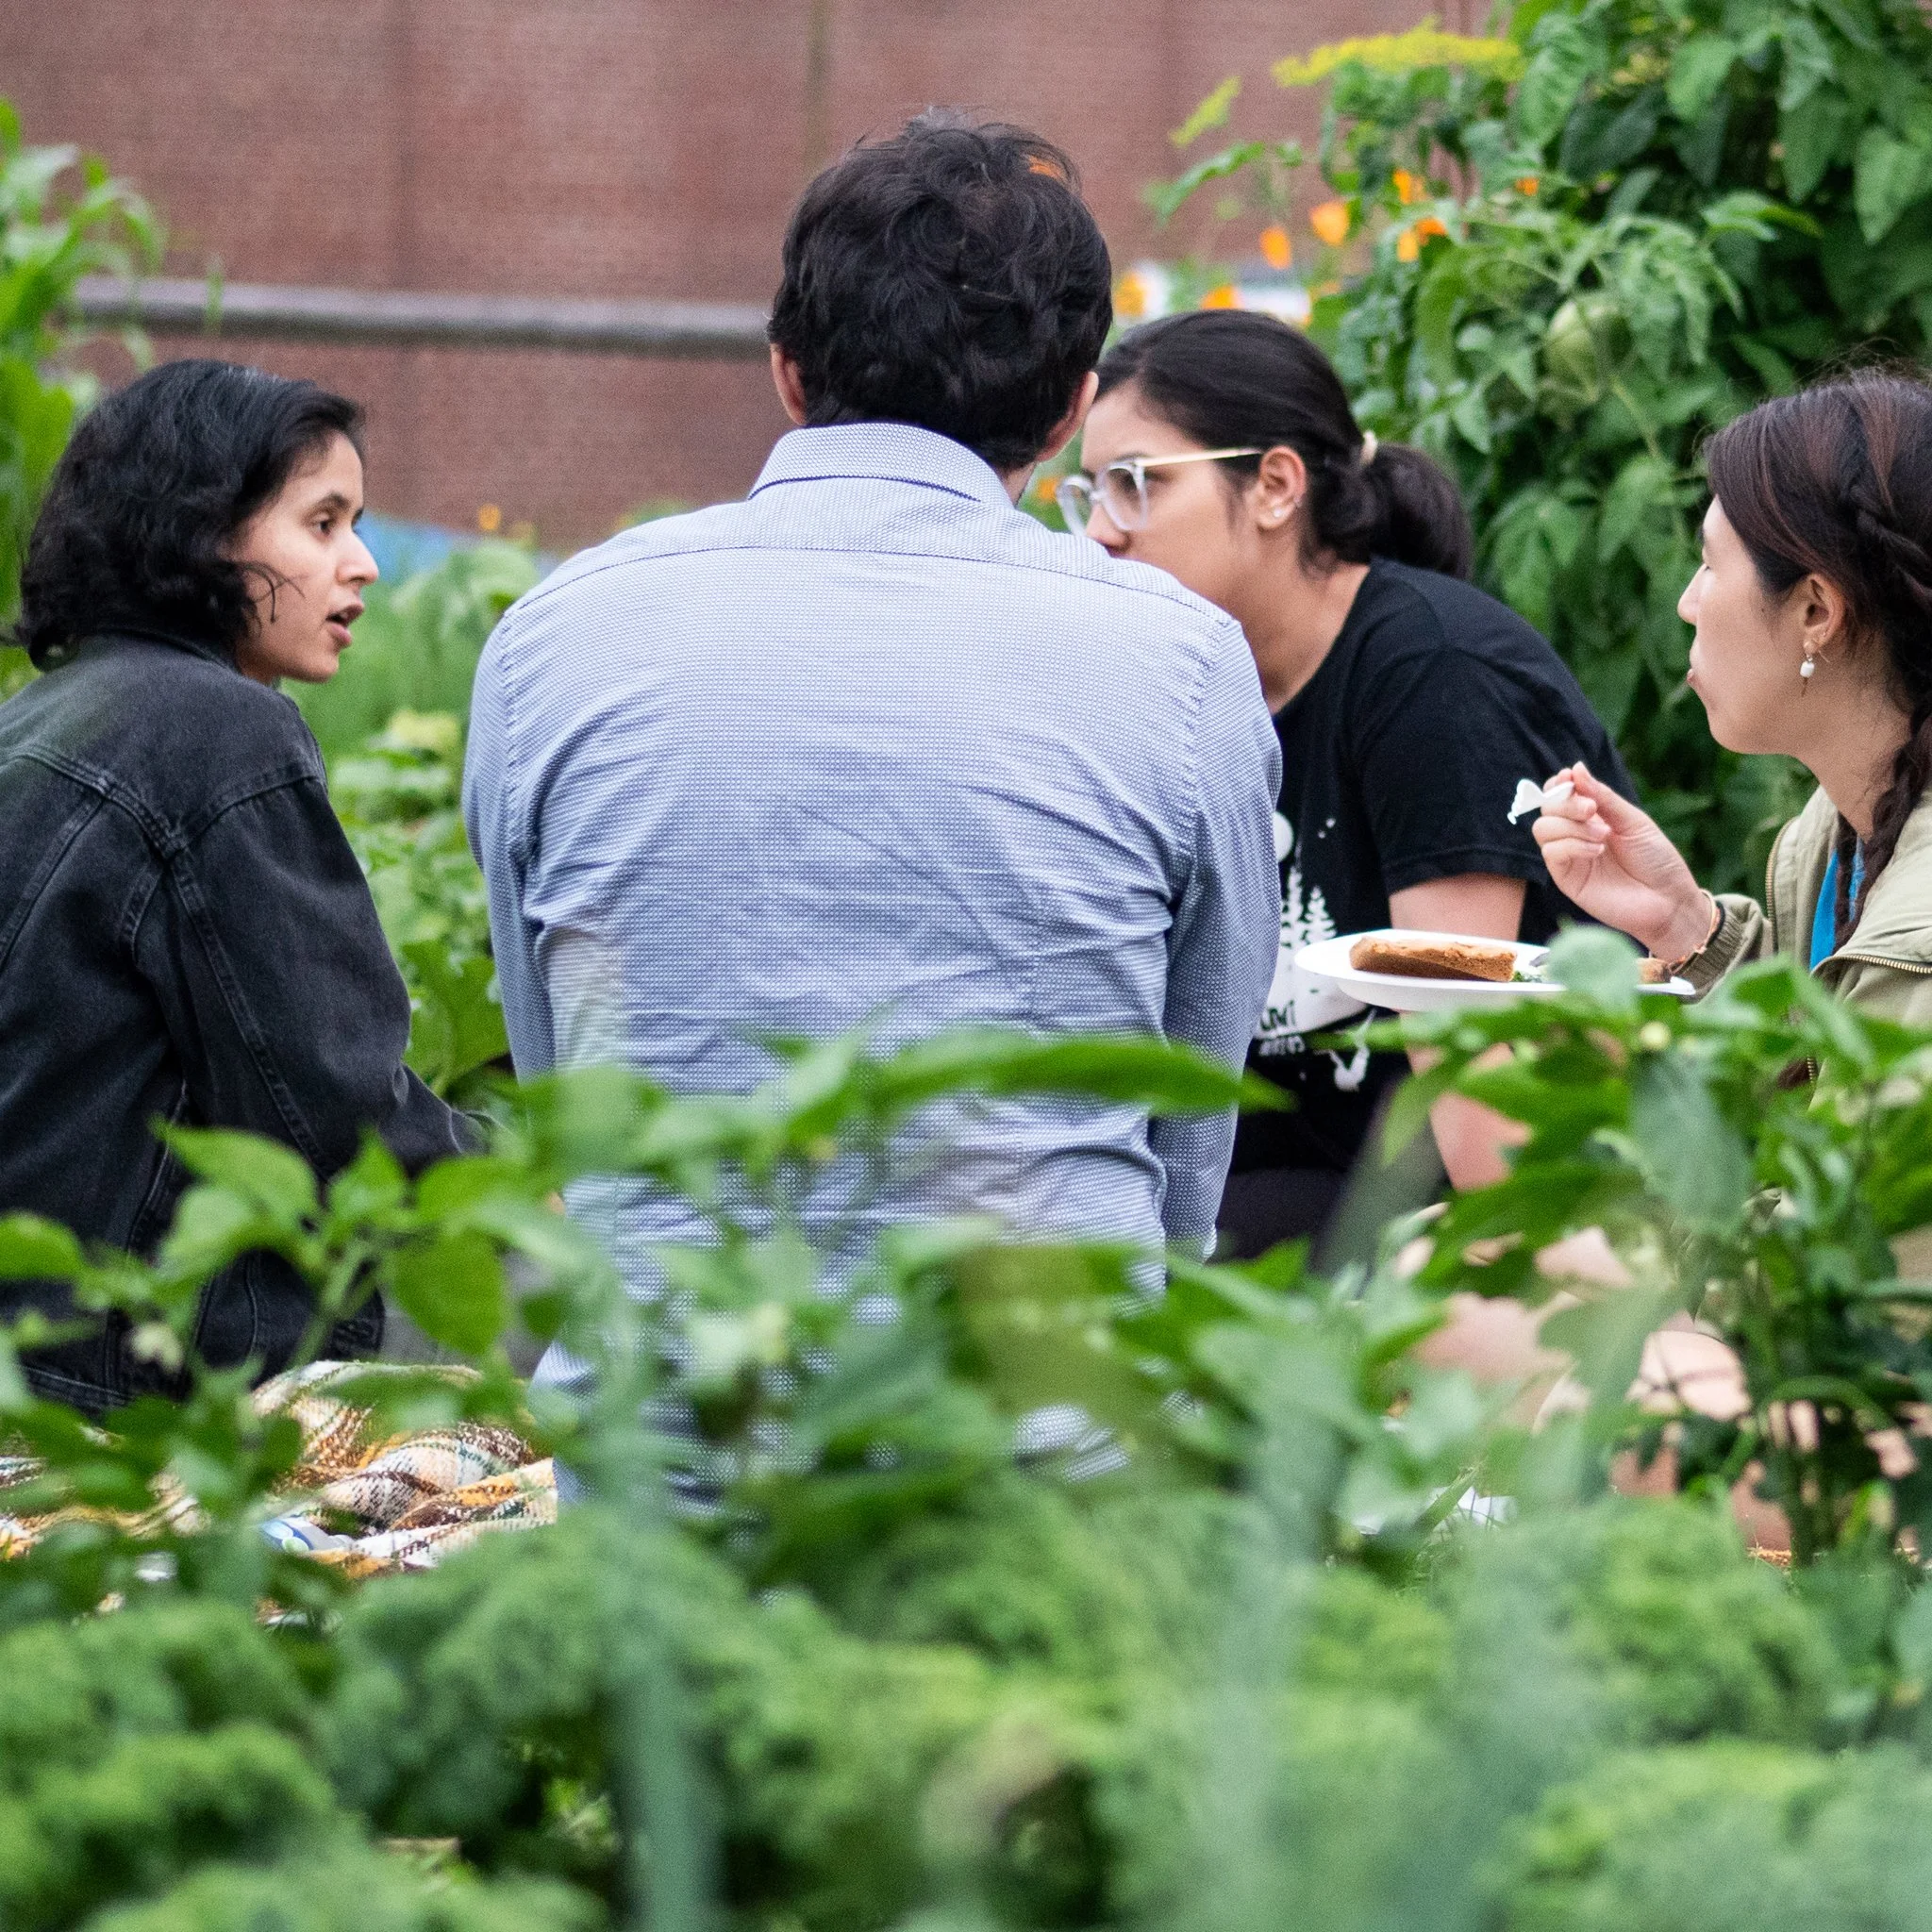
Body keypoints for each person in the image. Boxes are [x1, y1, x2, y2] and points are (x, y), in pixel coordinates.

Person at [464, 113, 1282, 1336]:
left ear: (789, 368)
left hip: (670, 1463)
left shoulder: (552, 637)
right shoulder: (1180, 664)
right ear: (1071, 408)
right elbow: (1189, 1107)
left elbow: (563, 1082)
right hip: (1049, 1466)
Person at [1067, 309, 1634, 1255]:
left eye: (1134, 486)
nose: (1098, 532)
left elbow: (1472, 1073)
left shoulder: (1429, 675)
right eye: (1086, 493)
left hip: (1466, 1203)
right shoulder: (1199, 691)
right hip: (1274, 1190)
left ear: (1274, 484)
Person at [0, 358, 470, 1413]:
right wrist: (534, 1196)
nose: (364, 565)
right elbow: (336, 1112)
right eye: (322, 523)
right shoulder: (216, 732)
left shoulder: (50, 712)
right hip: (135, 1373)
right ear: (205, 532)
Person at [1531, 372, 1932, 1021]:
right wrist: (1687, 924)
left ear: (1815, 611)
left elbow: (1809, 1123)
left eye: (1711, 564)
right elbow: (1812, 1049)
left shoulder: (1917, 950)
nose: (1688, 604)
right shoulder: (1838, 838)